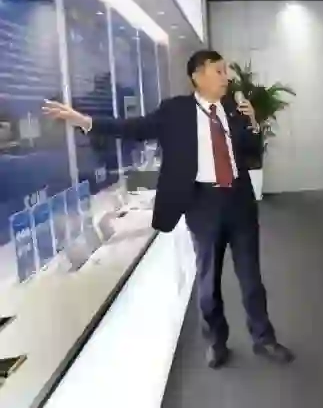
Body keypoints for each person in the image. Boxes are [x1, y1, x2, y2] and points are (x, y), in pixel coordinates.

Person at [42, 50, 294, 369]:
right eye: (218, 71)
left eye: (225, 71)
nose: (226, 77)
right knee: (208, 281)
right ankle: (216, 341)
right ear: (197, 76)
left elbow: (249, 151)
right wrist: (84, 121)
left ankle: (264, 338)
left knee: (251, 277)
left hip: (240, 201)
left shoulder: (234, 107)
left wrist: (253, 122)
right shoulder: (176, 111)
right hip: (203, 204)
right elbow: (133, 128)